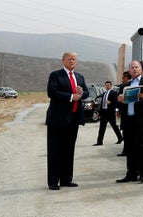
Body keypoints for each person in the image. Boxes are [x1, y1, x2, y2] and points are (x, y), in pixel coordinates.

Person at [45, 52, 89, 190]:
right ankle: (53, 181)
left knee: (69, 150)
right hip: (58, 119)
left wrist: (81, 94)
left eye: (74, 59)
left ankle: (66, 179)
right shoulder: (56, 75)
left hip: (73, 119)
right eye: (69, 59)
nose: (72, 61)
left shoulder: (79, 77)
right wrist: (71, 96)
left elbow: (86, 92)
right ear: (63, 61)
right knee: (55, 150)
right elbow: (51, 92)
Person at [115, 61, 143, 183]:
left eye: (136, 67)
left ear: (141, 69)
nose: (134, 69)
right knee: (129, 148)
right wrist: (119, 99)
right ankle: (131, 173)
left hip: (142, 121)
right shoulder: (124, 86)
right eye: (132, 67)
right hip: (128, 121)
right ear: (129, 70)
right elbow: (117, 103)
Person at [93, 81, 123, 146]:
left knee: (114, 126)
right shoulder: (104, 93)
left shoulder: (114, 93)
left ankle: (120, 138)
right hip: (104, 113)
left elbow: (116, 101)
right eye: (106, 85)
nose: (107, 86)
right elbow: (102, 104)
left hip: (110, 113)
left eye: (108, 85)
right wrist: (99, 113)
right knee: (101, 128)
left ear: (111, 86)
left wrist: (111, 102)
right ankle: (99, 142)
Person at [116, 71, 131, 157]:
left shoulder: (123, 86)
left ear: (126, 77)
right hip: (132, 114)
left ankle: (126, 150)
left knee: (125, 132)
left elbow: (118, 100)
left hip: (125, 113)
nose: (122, 79)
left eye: (123, 77)